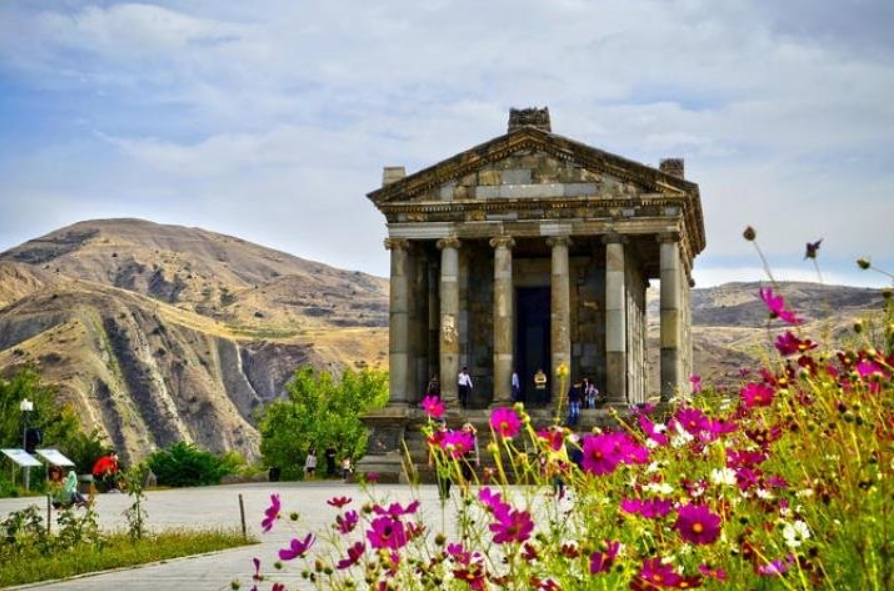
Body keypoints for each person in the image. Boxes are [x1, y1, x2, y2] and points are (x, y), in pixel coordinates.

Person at [428, 418, 452, 500]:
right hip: (438, 456)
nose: (440, 425)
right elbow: (431, 448)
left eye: (442, 423)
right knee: (439, 476)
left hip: (449, 455)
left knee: (448, 476)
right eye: (438, 424)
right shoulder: (435, 435)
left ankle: (447, 491)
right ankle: (442, 493)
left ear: (445, 424)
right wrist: (430, 460)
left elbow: (455, 443)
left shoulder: (450, 433)